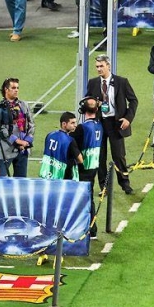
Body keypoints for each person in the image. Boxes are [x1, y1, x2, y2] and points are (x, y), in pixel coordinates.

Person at [85, 55, 138, 194]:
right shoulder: (93, 83)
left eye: (101, 66)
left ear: (108, 66)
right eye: (97, 66)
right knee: (100, 156)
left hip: (116, 123)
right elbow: (87, 101)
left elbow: (133, 101)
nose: (99, 69)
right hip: (99, 124)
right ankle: (104, 187)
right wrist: (92, 105)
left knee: (119, 156)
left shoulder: (121, 82)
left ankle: (125, 184)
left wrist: (128, 118)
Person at [72, 97, 103, 237]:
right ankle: (92, 228)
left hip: (82, 168)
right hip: (94, 166)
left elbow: (74, 147)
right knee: (88, 197)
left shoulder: (82, 128)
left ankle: (90, 228)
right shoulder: (99, 126)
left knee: (83, 198)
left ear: (83, 110)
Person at [0, 78, 35, 177]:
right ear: (6, 89)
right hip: (5, 150)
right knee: (1, 182)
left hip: (23, 150)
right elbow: (1, 128)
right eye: (13, 88)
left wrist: (27, 141)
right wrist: (17, 141)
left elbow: (31, 123)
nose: (16, 90)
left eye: (17, 88)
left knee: (21, 184)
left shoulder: (24, 105)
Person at [39, 112, 83, 180]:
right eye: (72, 123)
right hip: (63, 175)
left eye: (75, 122)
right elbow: (80, 160)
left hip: (48, 173)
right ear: (64, 124)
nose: (75, 125)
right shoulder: (70, 140)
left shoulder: (49, 135)